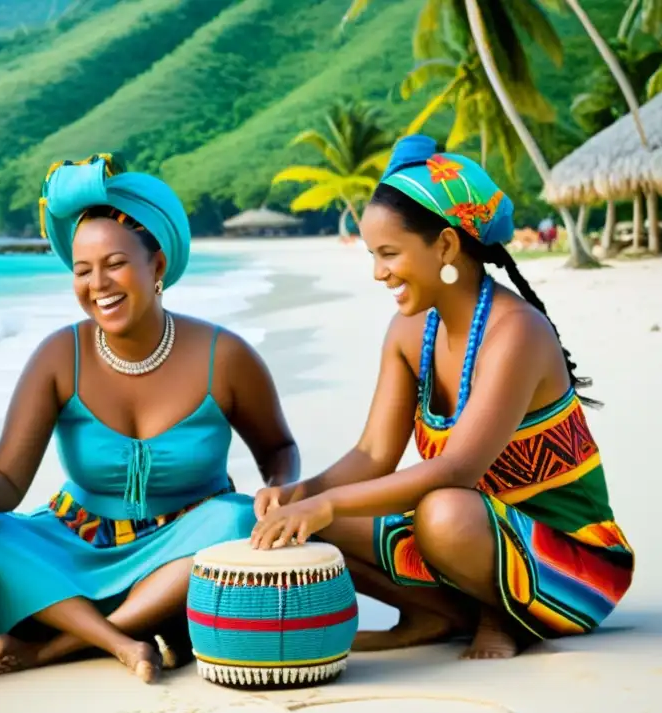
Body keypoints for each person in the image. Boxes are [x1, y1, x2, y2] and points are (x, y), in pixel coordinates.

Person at [250, 135, 634, 660]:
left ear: (447, 247)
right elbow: (372, 456)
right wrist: (301, 494)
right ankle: (434, 614)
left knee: (443, 512)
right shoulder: (410, 334)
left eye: (389, 254)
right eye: (372, 255)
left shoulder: (516, 332)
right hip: (471, 538)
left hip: (571, 563)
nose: (378, 272)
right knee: (308, 520)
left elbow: (457, 469)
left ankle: (502, 616)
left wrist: (325, 503)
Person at [0, 155, 299, 683]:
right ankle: (124, 642)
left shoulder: (226, 356)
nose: (98, 283)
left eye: (115, 264)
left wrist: (281, 490)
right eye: (82, 271)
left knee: (236, 520)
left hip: (182, 551)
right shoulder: (60, 356)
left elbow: (279, 450)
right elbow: (8, 477)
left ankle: (56, 647)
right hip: (76, 545)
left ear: (157, 267)